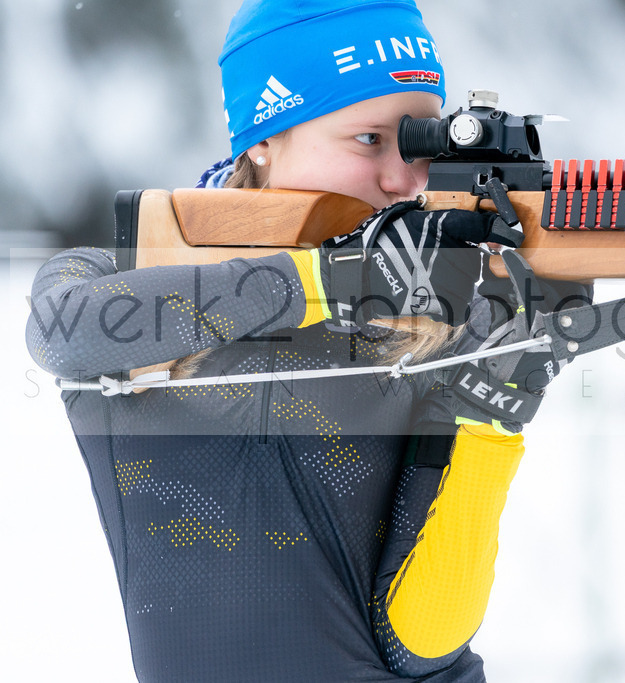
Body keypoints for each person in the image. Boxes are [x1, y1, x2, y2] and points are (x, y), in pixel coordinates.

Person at [25, 1, 587, 680]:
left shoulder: (440, 315)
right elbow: (62, 330)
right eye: (370, 140)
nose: (402, 180)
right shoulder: (128, 275)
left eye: (421, 146)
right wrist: (339, 276)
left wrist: (498, 392)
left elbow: (420, 639)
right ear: (264, 137)